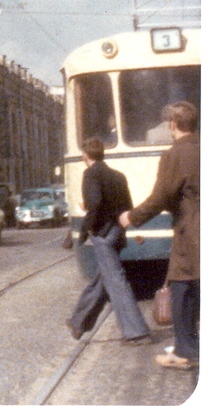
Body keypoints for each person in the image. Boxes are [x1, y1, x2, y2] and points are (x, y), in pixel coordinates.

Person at [120, 101, 200, 370]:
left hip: (191, 231)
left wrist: (132, 217)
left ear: (172, 125)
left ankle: (185, 351)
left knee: (182, 287)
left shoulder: (174, 155)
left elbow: (161, 196)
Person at [65, 138, 150, 344]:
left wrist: (85, 230)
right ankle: (78, 322)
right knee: (104, 278)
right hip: (118, 232)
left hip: (103, 234)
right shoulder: (118, 176)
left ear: (85, 155)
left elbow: (95, 204)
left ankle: (137, 332)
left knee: (116, 281)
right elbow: (128, 206)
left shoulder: (91, 174)